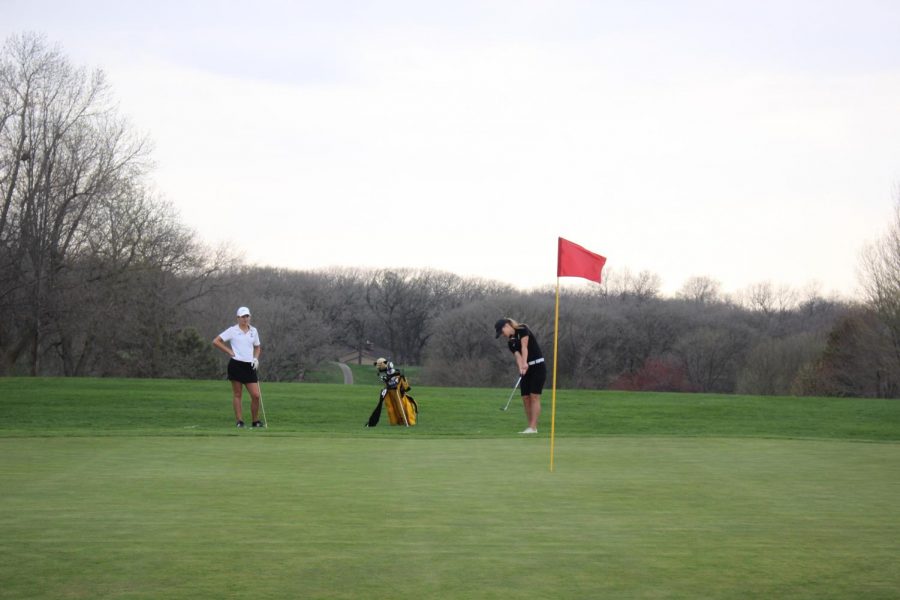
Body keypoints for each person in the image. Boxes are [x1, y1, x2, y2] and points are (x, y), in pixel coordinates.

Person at [212, 306, 263, 428]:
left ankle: (255, 421)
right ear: (238, 318)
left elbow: (257, 347)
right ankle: (239, 421)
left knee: (256, 395)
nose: (245, 319)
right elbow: (216, 341)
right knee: (237, 394)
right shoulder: (232, 330)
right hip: (236, 365)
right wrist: (229, 351)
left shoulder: (253, 331)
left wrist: (256, 358)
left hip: (249, 366)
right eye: (243, 317)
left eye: (247, 316)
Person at [495, 317, 546, 434]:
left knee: (534, 396)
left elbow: (524, 347)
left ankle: (533, 427)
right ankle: (530, 427)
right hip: (526, 368)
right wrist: (521, 367)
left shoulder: (523, 329)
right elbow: (517, 356)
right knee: (525, 397)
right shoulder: (510, 342)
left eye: (502, 332)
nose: (503, 335)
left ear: (507, 325)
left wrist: (525, 363)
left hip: (538, 366)